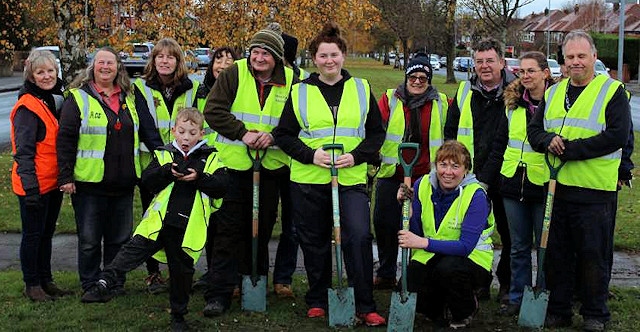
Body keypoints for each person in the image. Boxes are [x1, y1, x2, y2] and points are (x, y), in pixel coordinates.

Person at [273, 22, 386, 326]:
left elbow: (376, 133)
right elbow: (283, 135)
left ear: (343, 56)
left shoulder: (361, 89)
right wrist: (312, 155)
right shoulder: (300, 92)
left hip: (350, 180)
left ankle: (364, 303)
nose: (329, 61)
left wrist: (357, 156)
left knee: (359, 236)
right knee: (314, 241)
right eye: (322, 56)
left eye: (334, 54)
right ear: (314, 58)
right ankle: (317, 298)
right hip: (309, 181)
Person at [80, 108, 229, 332]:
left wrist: (199, 178)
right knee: (130, 252)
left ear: (201, 134)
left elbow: (222, 187)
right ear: (173, 131)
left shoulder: (212, 157)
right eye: (182, 131)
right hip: (158, 224)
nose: (186, 137)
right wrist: (167, 172)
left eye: (191, 132)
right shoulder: (163, 154)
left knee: (182, 275)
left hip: (188, 227)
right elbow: (148, 181)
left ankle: (178, 317)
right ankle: (105, 283)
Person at [527, 30, 631, 332]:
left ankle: (595, 313)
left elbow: (616, 137)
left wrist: (570, 150)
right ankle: (559, 310)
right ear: (563, 60)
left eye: (581, 56)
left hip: (595, 192)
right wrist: (548, 140)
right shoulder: (553, 92)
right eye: (569, 57)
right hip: (558, 190)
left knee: (593, 257)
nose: (575, 62)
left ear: (594, 58)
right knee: (557, 255)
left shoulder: (612, 91)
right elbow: (535, 132)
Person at [202, 22, 297, 316]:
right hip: (233, 165)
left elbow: (299, 119)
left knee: (261, 228)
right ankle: (218, 292)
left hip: (271, 167)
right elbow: (213, 110)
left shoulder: (294, 80)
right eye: (255, 51)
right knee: (228, 230)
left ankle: (253, 283)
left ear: (277, 58)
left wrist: (275, 136)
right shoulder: (235, 73)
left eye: (266, 53)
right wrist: (243, 133)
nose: (259, 58)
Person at [57, 46, 162, 295]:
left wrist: (167, 157)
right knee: (90, 241)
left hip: (124, 182)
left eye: (110, 63)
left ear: (118, 68)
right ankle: (91, 283)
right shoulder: (77, 97)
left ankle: (114, 281)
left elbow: (148, 130)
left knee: (120, 239)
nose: (105, 67)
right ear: (92, 67)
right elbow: (66, 139)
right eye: (100, 63)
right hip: (89, 183)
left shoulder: (130, 95)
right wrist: (65, 176)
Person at [444, 38, 515, 303]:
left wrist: (486, 178)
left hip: (505, 175)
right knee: (474, 233)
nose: (484, 67)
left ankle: (507, 285)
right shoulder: (465, 91)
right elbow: (451, 131)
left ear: (502, 63)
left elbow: (507, 138)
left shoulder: (515, 92)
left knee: (509, 236)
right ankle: (479, 283)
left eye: (490, 61)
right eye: (480, 61)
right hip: (470, 177)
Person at [397, 140, 494, 329]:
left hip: (470, 260)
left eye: (455, 166)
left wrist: (423, 243)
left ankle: (465, 309)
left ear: (466, 169)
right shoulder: (422, 185)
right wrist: (406, 209)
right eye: (443, 165)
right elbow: (416, 231)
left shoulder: (476, 195)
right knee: (409, 284)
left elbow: (465, 246)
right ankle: (439, 310)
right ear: (436, 165)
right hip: (434, 255)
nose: (447, 172)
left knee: (448, 270)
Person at [372, 52, 448, 289]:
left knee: (420, 225)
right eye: (412, 76)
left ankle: (415, 275)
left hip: (426, 177)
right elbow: (374, 130)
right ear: (405, 78)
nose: (417, 81)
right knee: (385, 223)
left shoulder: (441, 103)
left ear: (429, 80)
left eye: (422, 77)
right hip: (392, 174)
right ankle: (385, 272)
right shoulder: (390, 99)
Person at [133, 38, 203, 294]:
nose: (164, 61)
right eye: (159, 56)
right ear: (153, 60)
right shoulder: (141, 87)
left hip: (186, 164)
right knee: (152, 221)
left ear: (178, 61)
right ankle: (153, 273)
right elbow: (146, 128)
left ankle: (180, 272)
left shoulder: (192, 87)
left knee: (181, 220)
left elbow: (198, 121)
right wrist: (167, 157)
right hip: (153, 166)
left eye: (170, 57)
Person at [496, 51, 557, 315]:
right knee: (518, 245)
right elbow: (501, 141)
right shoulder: (512, 104)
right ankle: (516, 296)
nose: (525, 76)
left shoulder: (556, 104)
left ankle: (542, 294)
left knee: (544, 245)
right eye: (521, 71)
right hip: (512, 182)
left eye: (531, 70)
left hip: (543, 183)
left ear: (545, 73)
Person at [11, 49, 72, 301]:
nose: (46, 76)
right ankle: (32, 284)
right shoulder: (28, 106)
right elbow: (23, 152)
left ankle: (46, 280)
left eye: (50, 71)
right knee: (33, 236)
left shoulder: (54, 98)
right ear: (32, 76)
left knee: (46, 235)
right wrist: (31, 188)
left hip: (51, 182)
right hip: (33, 184)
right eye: (40, 72)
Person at [192, 46, 238, 291]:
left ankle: (223, 274)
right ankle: (210, 271)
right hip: (203, 163)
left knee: (225, 224)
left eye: (229, 61)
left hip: (228, 163)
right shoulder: (200, 92)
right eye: (218, 60)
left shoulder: (237, 92)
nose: (223, 65)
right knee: (207, 222)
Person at [270, 31, 304, 299]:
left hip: (293, 165)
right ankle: (253, 273)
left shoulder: (301, 83)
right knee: (263, 220)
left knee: (292, 225)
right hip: (266, 163)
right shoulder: (264, 80)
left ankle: (283, 278)